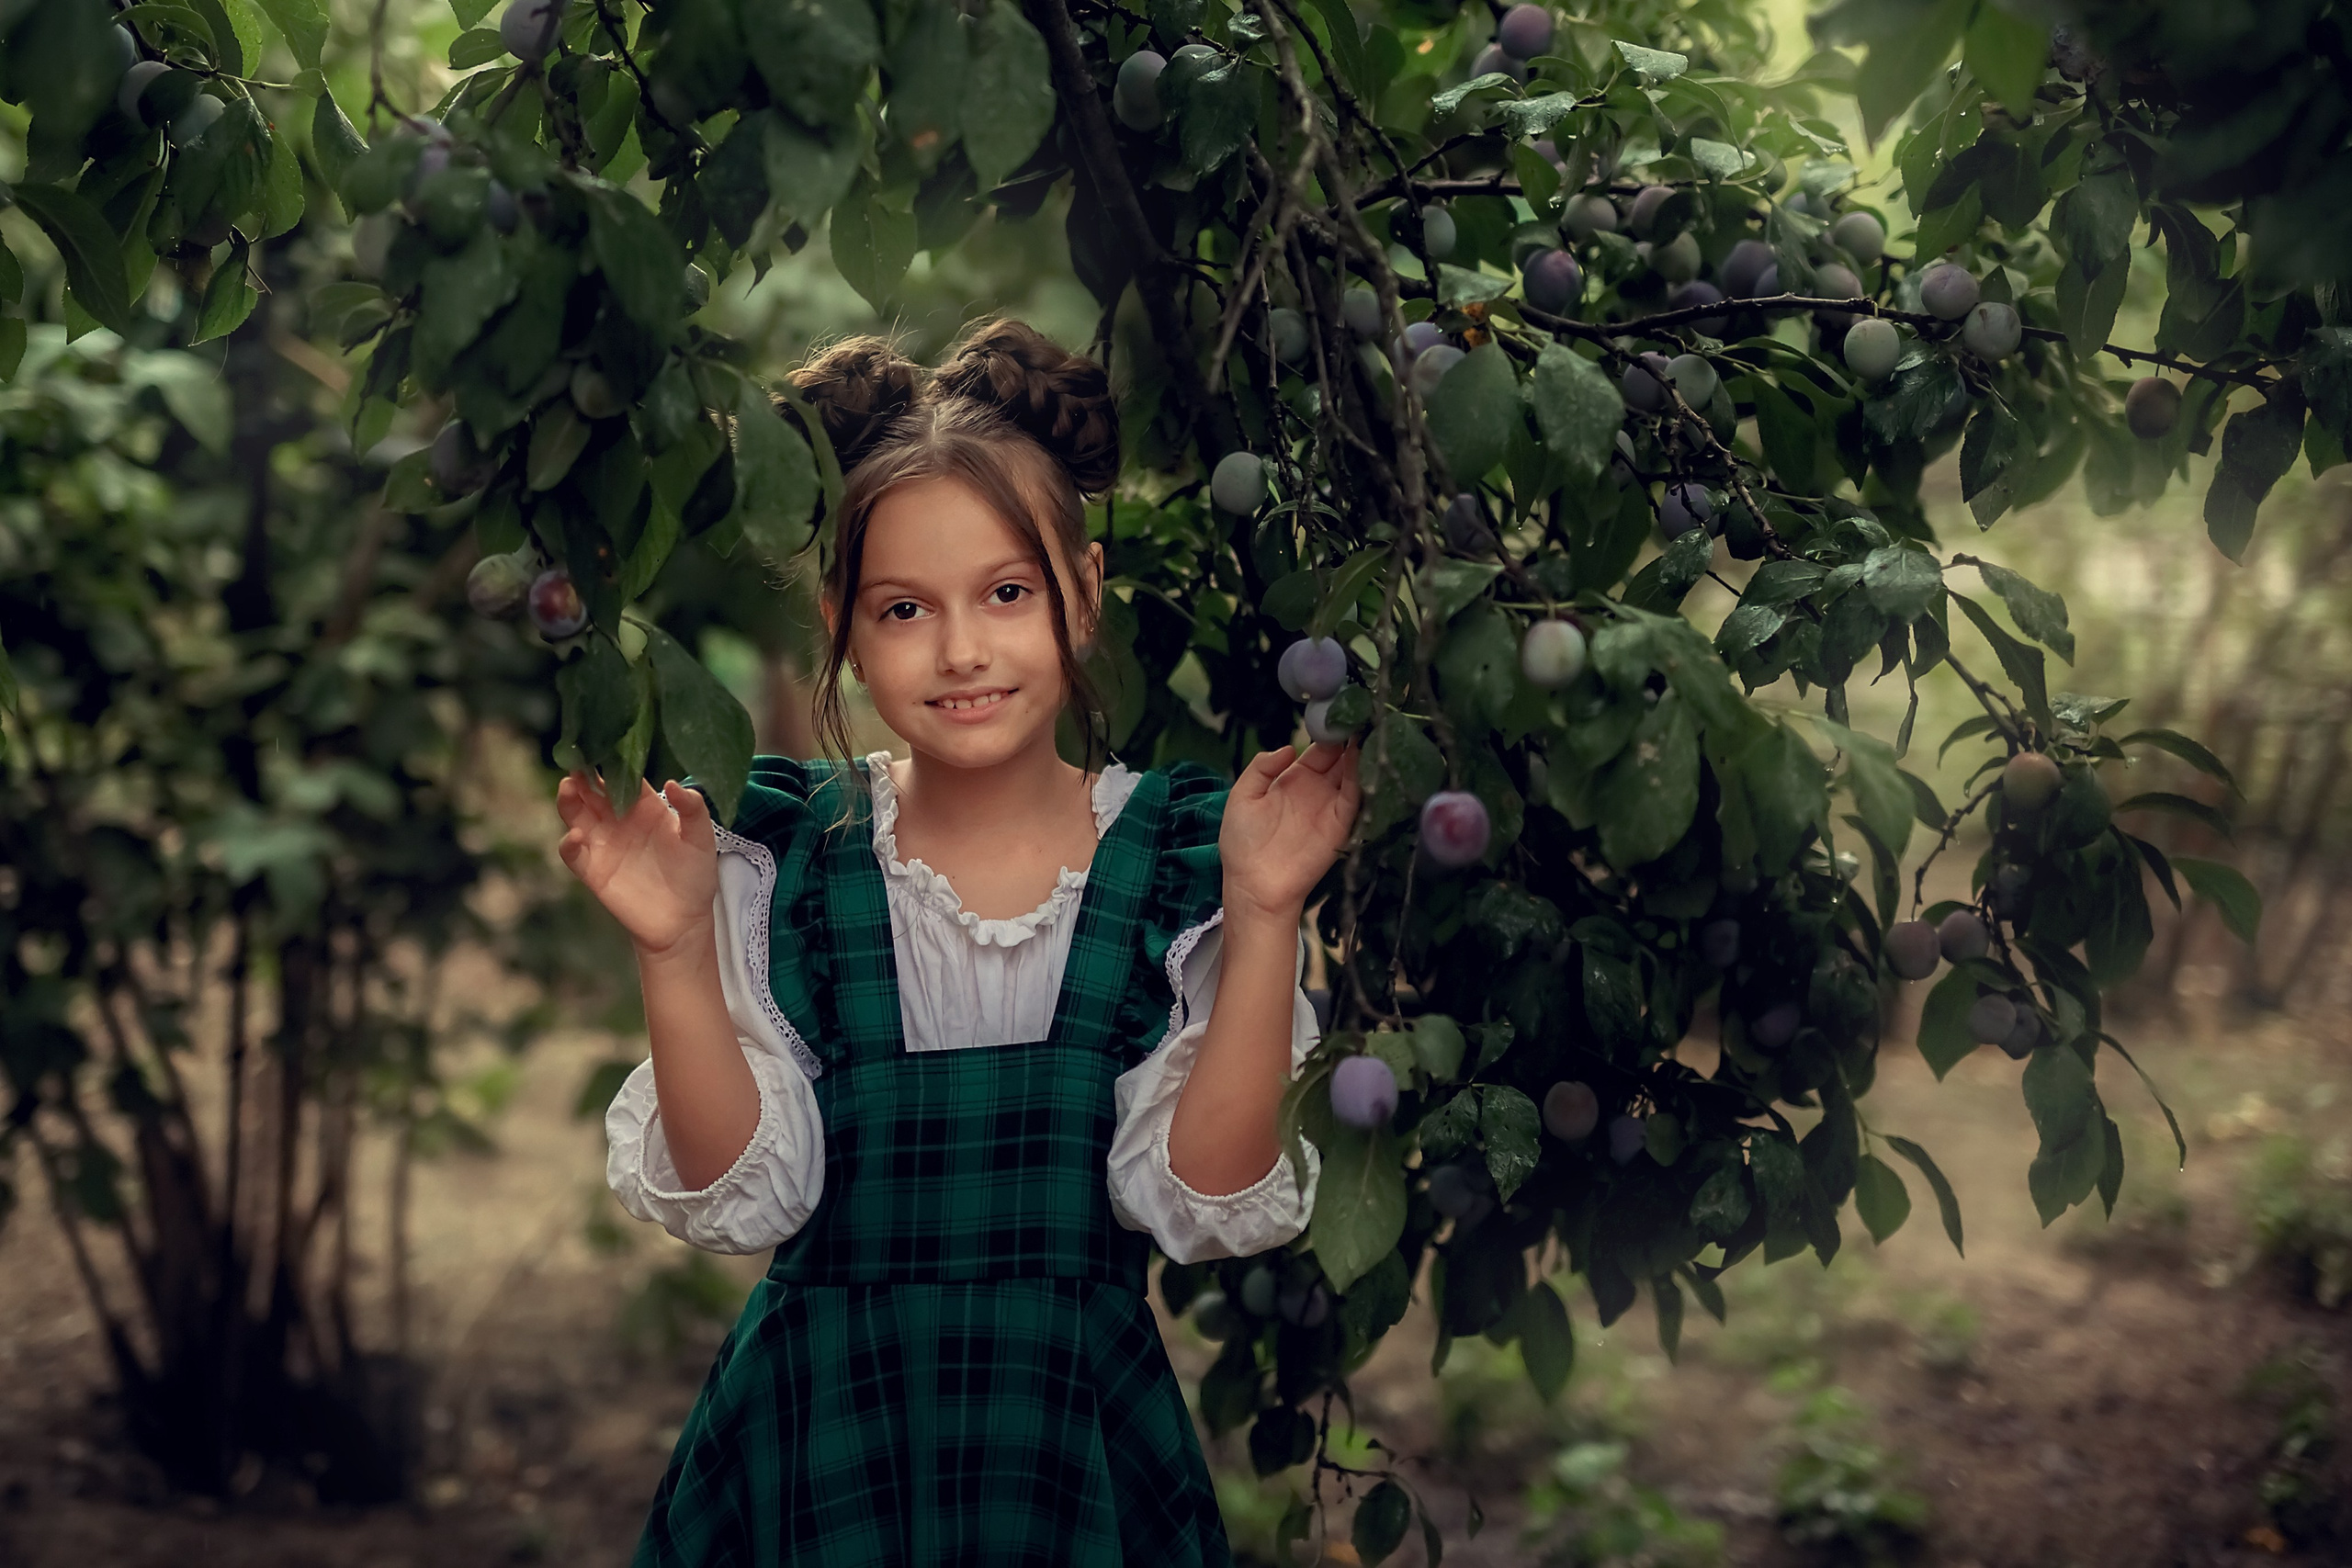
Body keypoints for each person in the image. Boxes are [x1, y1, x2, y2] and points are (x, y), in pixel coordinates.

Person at [555, 318, 1363, 1566]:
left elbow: (1207, 1191)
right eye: (904, 608)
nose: (963, 648)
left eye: (1006, 591)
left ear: (1082, 592)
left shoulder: (1182, 863)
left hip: (1071, 1437)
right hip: (818, 1433)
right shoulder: (786, 862)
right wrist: (671, 951)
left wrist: (1263, 916)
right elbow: (739, 1190)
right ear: (842, 622)